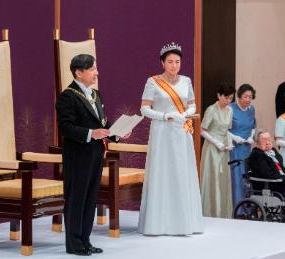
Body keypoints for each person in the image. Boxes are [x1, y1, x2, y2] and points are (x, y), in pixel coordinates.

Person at [56, 54, 130, 255]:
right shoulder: (67, 96)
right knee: (76, 198)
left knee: (90, 198)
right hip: (78, 155)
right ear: (78, 72)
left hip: (96, 154)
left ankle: (85, 240)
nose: (96, 72)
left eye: (96, 68)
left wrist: (117, 132)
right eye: (92, 69)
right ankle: (74, 243)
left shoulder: (96, 94)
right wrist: (91, 134)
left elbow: (102, 124)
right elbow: (66, 128)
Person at [138, 42, 204, 235]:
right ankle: (159, 223)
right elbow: (144, 109)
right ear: (162, 63)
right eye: (170, 62)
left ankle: (185, 223)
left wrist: (185, 113)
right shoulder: (153, 82)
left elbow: (192, 105)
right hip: (162, 131)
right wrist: (165, 116)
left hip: (182, 131)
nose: (174, 65)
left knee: (182, 171)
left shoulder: (186, 81)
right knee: (163, 171)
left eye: (177, 61)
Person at [200, 83, 236, 218]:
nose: (228, 101)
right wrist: (216, 143)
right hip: (212, 147)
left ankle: (223, 213)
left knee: (223, 180)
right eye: (226, 97)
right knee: (213, 178)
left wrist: (231, 142)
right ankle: (209, 213)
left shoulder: (230, 110)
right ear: (219, 96)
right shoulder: (211, 110)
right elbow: (202, 131)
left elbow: (227, 130)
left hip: (224, 147)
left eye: (230, 98)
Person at [228, 84, 256, 208]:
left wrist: (251, 136)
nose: (248, 99)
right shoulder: (230, 109)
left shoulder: (251, 109)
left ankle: (248, 208)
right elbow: (223, 128)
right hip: (234, 147)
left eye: (250, 97)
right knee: (237, 177)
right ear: (239, 96)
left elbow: (254, 126)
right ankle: (237, 207)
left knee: (247, 177)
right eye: (245, 96)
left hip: (246, 148)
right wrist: (234, 138)